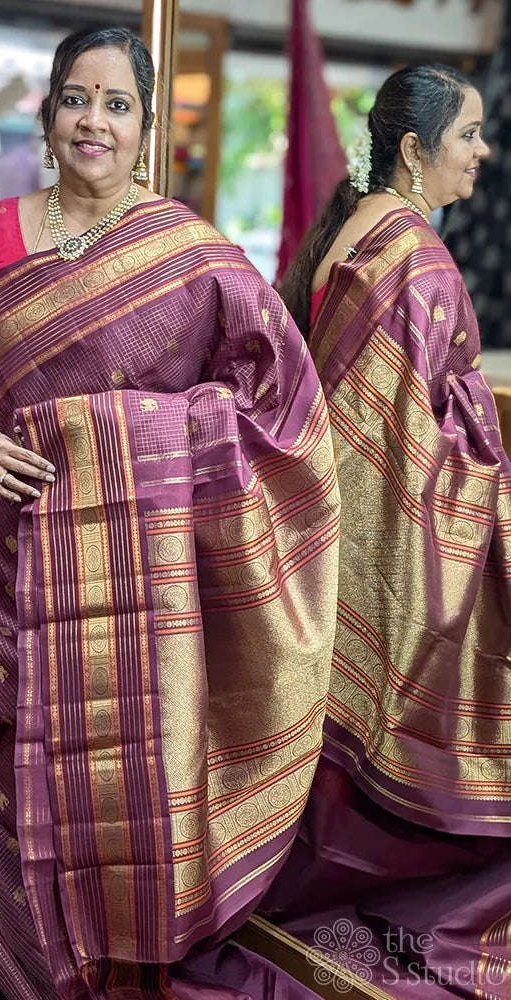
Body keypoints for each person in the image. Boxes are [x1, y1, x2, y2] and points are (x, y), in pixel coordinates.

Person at [0, 26, 339, 1000]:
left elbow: (277, 399)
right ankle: (12, 952)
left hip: (131, 573)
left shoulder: (186, 250)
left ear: (142, 131)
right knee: (3, 746)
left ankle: (106, 937)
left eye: (118, 104)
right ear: (48, 118)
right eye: (78, 99)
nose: (95, 120)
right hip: (7, 543)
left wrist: (128, 437)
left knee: (111, 764)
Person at [263, 64, 511, 998]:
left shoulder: (361, 231)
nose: (483, 152)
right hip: (384, 534)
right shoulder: (414, 259)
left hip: (329, 530)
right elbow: (408, 455)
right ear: (415, 151)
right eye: (469, 135)